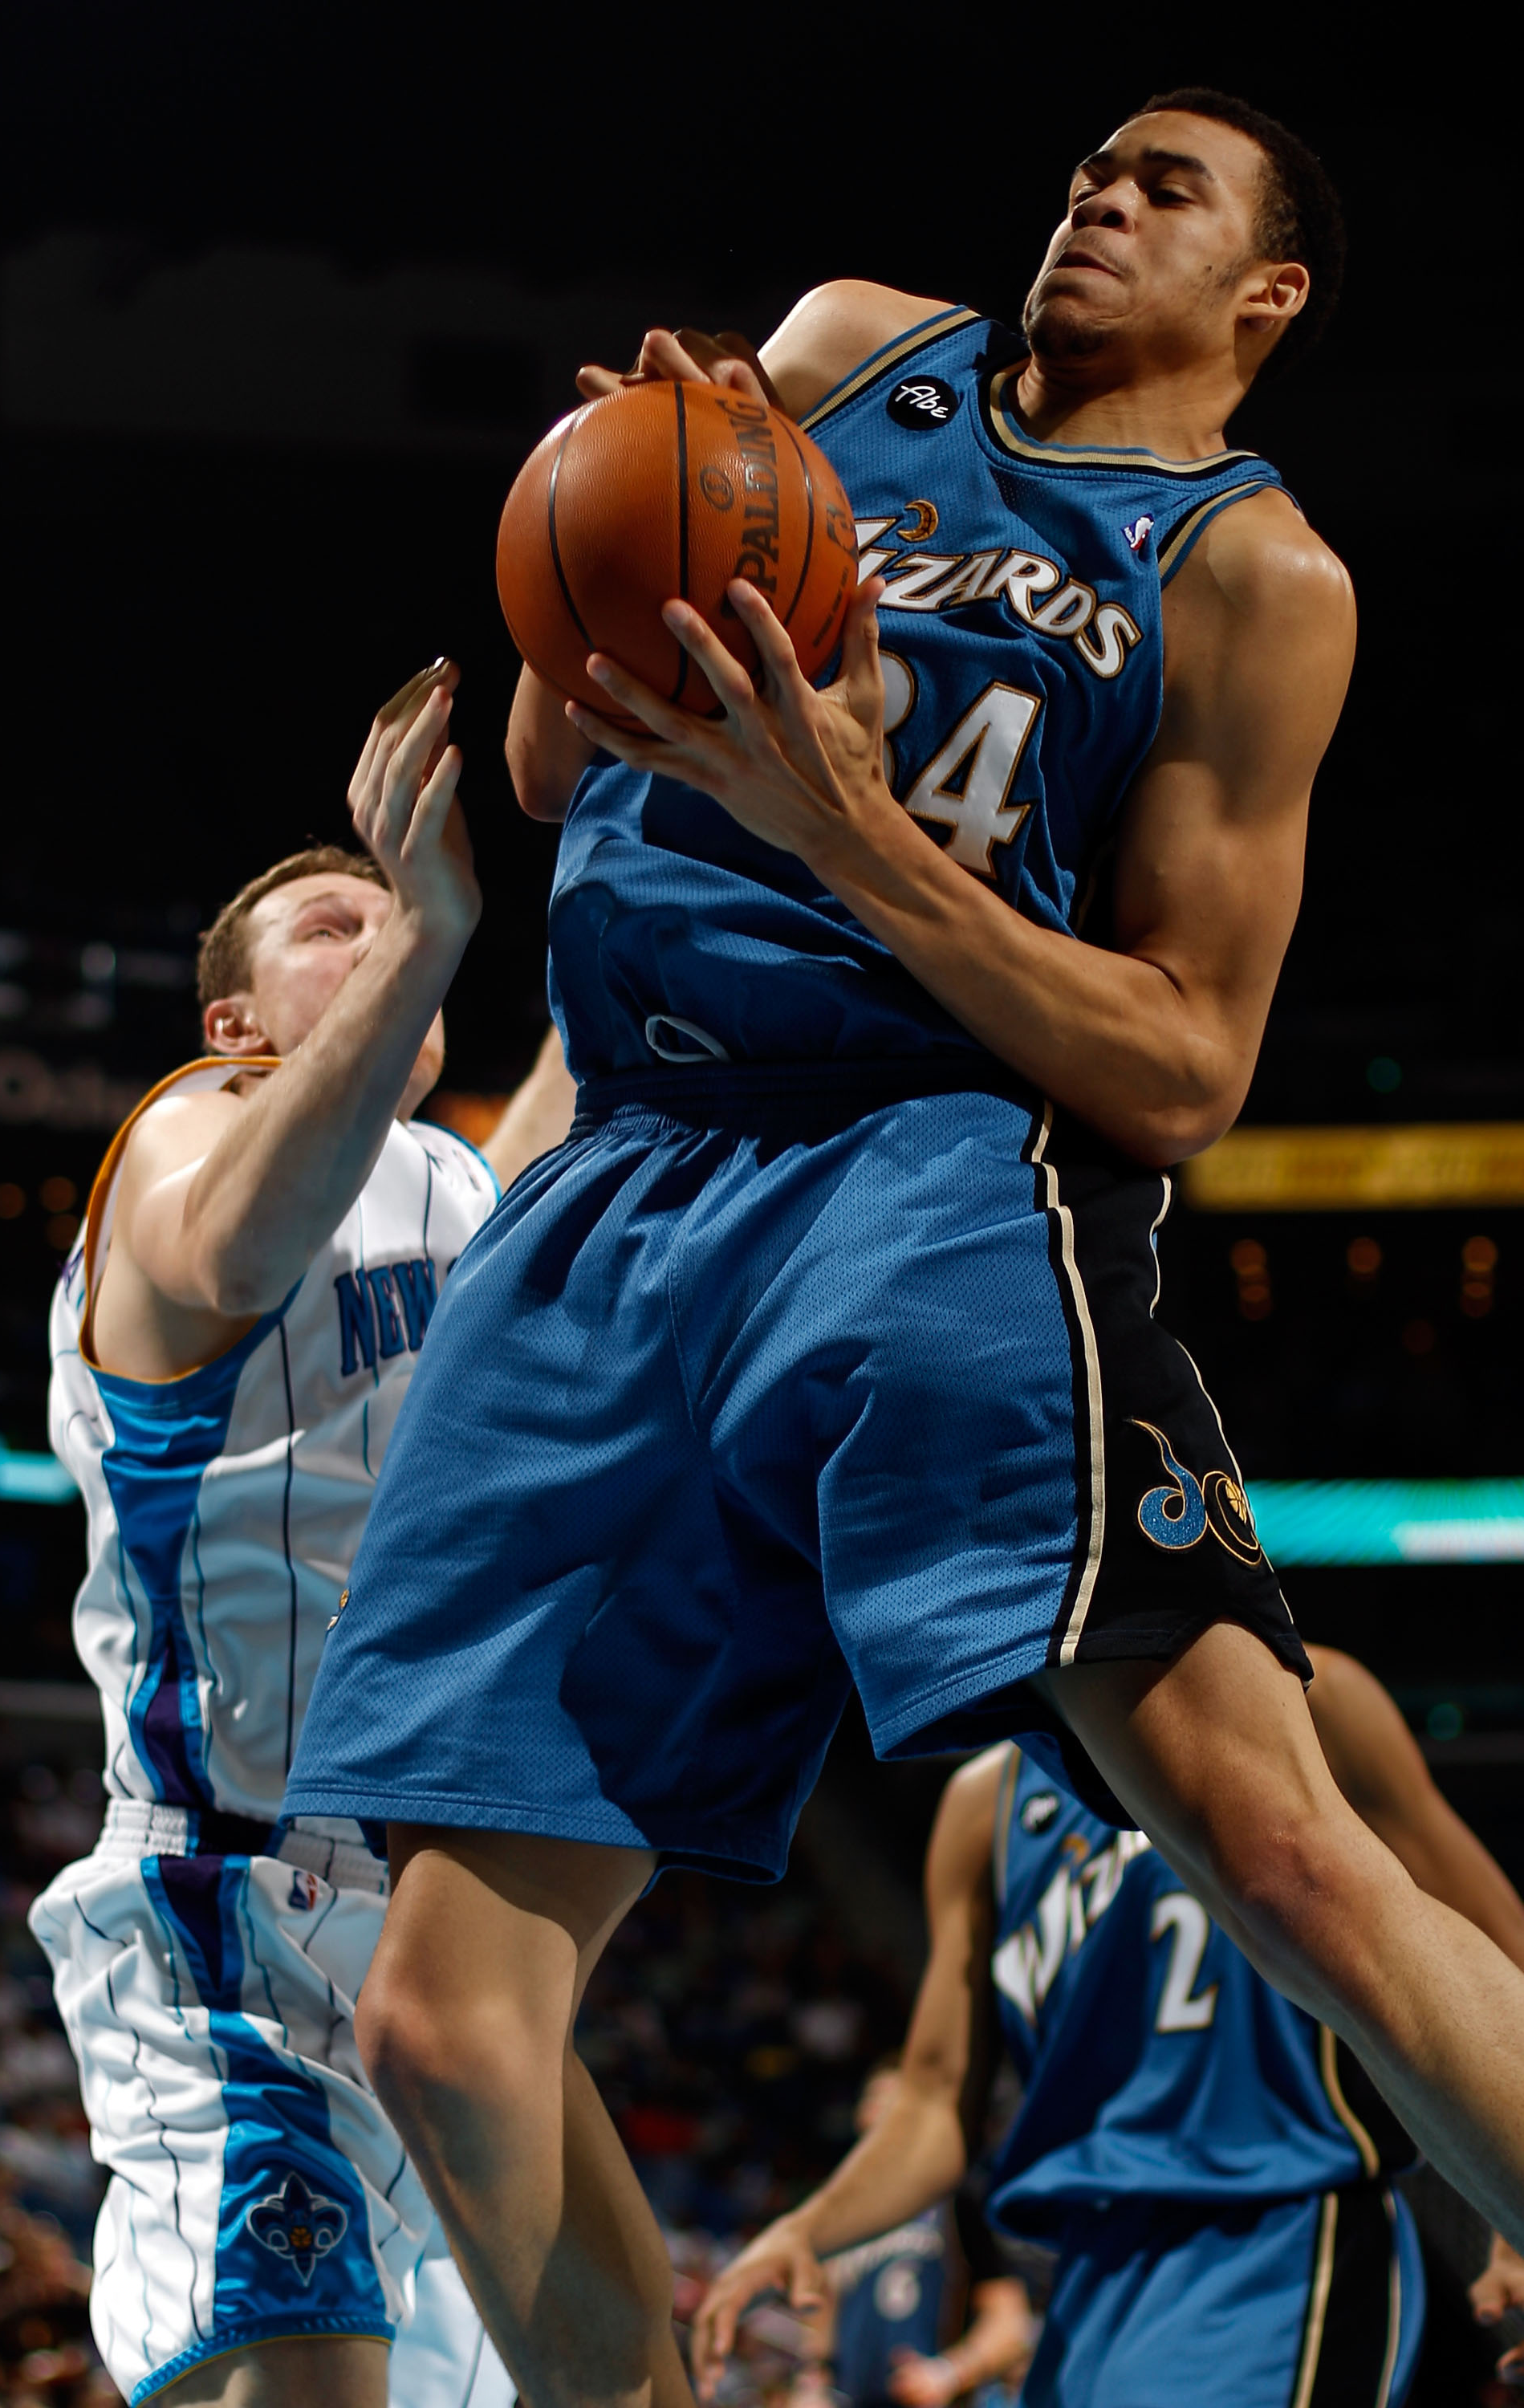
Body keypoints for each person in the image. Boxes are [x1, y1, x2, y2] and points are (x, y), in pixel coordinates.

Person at [282, 90, 1524, 2405]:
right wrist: (610, 529)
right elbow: (564, 769)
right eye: (1088, 168)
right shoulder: (854, 357)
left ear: (1270, 297)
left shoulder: (1255, 579)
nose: (1097, 199)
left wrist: (850, 834)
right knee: (440, 2027)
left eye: (1167, 189)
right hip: (626, 1176)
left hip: (932, 1183)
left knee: (1278, 1846)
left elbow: (1178, 1070)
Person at [30, 661, 576, 2407]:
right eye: (330, 928)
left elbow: (590, 1098)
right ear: (239, 1026)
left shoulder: (455, 1181)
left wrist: (667, 813)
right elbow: (237, 1262)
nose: (379, 931)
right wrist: (421, 922)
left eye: (386, 921)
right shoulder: (186, 1146)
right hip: (231, 1915)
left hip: (444, 1932)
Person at [693, 1647, 1524, 2404]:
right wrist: (808, 2225)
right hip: (1086, 2279)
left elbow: (1497, 1947)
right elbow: (931, 2101)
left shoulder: (1314, 1699)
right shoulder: (982, 1806)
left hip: (1276, 2244)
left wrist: (1508, 2205)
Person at [781, 2061, 1034, 2408]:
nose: (881, 2111)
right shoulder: (842, 2212)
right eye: (873, 2099)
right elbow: (822, 2312)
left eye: (895, 2100)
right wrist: (811, 2383)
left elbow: (1009, 2324)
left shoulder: (956, 2198)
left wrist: (950, 2372)